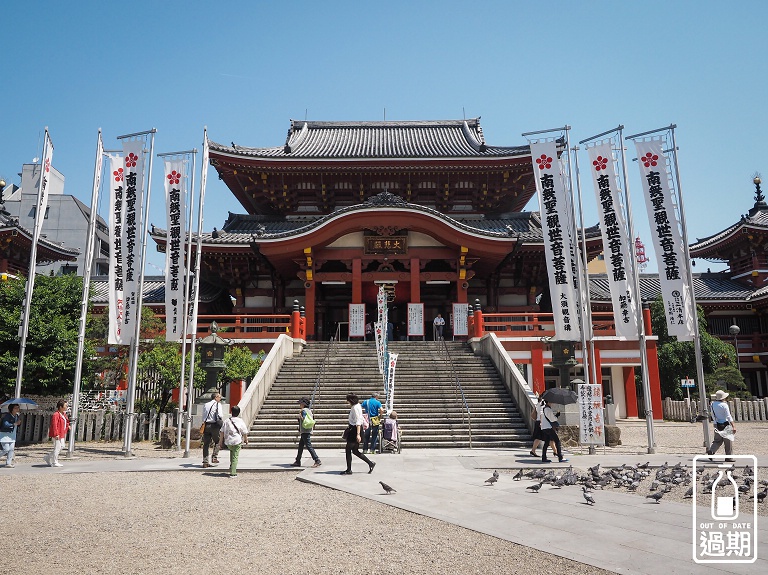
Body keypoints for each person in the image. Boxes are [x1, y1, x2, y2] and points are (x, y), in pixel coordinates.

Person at [341, 393, 375, 475]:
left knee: (348, 450)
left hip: (354, 430)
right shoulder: (358, 406)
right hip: (355, 429)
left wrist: (358, 434)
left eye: (348, 400)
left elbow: (358, 421)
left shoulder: (354, 408)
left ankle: (349, 469)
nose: (347, 402)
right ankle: (370, 463)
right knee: (355, 451)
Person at [218, 405, 249, 478]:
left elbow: (222, 432)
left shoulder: (226, 420)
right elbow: (244, 431)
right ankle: (233, 472)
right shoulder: (240, 420)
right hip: (237, 440)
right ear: (238, 413)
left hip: (228, 441)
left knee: (232, 454)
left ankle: (231, 466)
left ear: (231, 412)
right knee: (235, 456)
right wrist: (246, 439)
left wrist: (220, 442)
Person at [707, 389, 736, 462]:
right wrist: (733, 426)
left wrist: (715, 423)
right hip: (725, 424)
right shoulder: (724, 405)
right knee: (728, 442)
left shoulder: (712, 404)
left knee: (717, 441)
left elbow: (713, 415)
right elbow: (728, 416)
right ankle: (728, 457)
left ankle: (712, 451)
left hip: (717, 424)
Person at [293, 397, 321, 468]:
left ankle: (317, 460)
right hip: (307, 430)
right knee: (301, 446)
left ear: (303, 404)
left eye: (300, 403)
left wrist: (300, 416)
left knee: (308, 445)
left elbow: (304, 419)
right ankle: (298, 460)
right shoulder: (309, 410)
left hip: (305, 430)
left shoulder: (303, 411)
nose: (299, 405)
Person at [539, 398, 567, 463]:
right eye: (551, 402)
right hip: (549, 427)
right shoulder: (547, 409)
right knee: (557, 441)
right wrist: (557, 415)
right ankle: (560, 457)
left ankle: (544, 457)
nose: (552, 403)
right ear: (548, 402)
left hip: (544, 427)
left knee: (546, 443)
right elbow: (552, 419)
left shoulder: (543, 408)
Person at [44, 400, 69, 467]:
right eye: (65, 405)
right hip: (57, 433)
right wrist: (56, 434)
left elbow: (66, 421)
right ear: (61, 407)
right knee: (57, 447)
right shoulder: (56, 414)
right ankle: (55, 461)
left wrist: (67, 426)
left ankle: (48, 457)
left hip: (62, 433)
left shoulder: (63, 414)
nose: (67, 407)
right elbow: (54, 425)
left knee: (62, 446)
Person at [201, 392, 223, 468]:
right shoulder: (218, 405)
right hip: (214, 425)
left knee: (206, 444)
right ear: (216, 397)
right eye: (219, 397)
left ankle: (205, 461)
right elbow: (220, 415)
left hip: (206, 425)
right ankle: (214, 457)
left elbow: (203, 416)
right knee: (217, 441)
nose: (220, 398)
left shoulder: (206, 404)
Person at [0, 403, 21, 468]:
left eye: (18, 407)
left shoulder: (16, 416)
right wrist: (14, 424)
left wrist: (18, 423)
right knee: (6, 449)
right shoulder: (7, 416)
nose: (17, 409)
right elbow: (5, 424)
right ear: (11, 409)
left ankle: (8, 463)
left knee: (11, 449)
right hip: (5, 435)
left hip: (12, 435)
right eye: (15, 408)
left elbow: (17, 424)